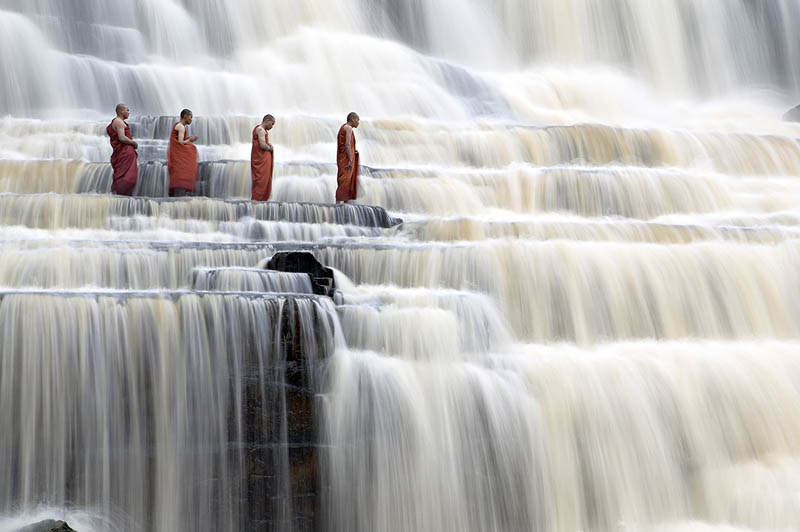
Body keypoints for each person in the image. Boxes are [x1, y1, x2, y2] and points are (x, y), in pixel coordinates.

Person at [106, 103, 138, 195]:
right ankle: (122, 195)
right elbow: (122, 138)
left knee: (124, 175)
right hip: (124, 152)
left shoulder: (116, 121)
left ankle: (121, 196)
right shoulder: (119, 122)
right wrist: (133, 143)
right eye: (127, 110)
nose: (129, 112)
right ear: (121, 111)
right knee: (126, 177)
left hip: (122, 152)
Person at [167, 108, 199, 197]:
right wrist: (190, 139)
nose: (191, 119)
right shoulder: (181, 127)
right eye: (190, 117)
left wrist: (188, 139)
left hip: (173, 150)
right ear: (185, 116)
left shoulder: (179, 126)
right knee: (192, 149)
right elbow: (180, 142)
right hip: (176, 151)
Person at [335, 112, 360, 203]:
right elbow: (347, 144)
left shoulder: (343, 127)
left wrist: (354, 151)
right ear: (352, 119)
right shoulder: (348, 128)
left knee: (344, 179)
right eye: (357, 120)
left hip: (341, 157)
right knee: (345, 179)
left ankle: (344, 204)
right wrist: (350, 159)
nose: (358, 122)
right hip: (345, 158)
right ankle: (338, 203)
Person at [251, 114, 275, 201]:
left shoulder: (261, 129)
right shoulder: (260, 129)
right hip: (261, 159)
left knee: (262, 180)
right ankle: (258, 200)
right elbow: (262, 145)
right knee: (261, 180)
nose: (272, 126)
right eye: (272, 124)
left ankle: (260, 201)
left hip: (262, 158)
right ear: (267, 121)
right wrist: (270, 148)